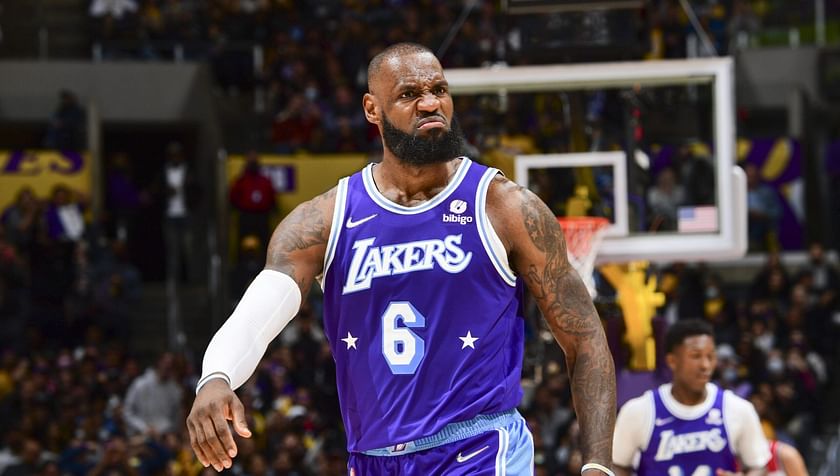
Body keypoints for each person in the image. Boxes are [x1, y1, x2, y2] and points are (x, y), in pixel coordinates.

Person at [187, 42, 616, 475]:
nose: (431, 103)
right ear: (372, 109)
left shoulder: (503, 207)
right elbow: (265, 303)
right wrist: (216, 376)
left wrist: (598, 464)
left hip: (478, 449)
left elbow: (585, 338)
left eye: (439, 89)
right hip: (371, 459)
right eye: (410, 94)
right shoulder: (326, 219)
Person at [612, 319, 770, 475]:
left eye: (710, 356)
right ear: (672, 361)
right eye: (696, 356)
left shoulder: (738, 409)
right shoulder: (639, 410)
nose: (705, 365)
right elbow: (616, 465)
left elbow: (758, 466)